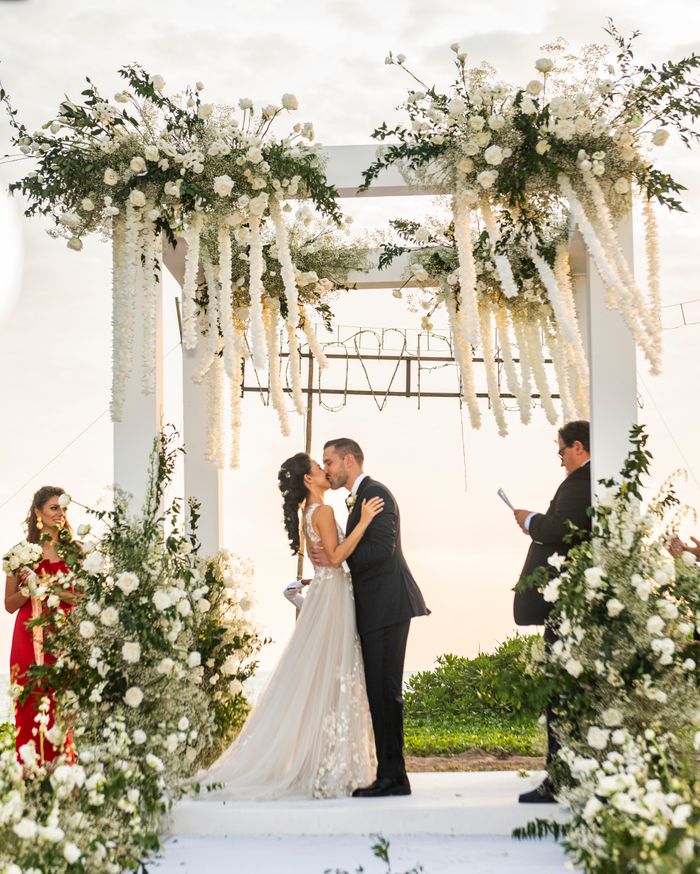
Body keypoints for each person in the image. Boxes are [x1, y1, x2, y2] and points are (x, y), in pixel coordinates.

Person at [202, 453, 383, 799]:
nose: (324, 472)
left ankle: (320, 759)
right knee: (335, 672)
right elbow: (334, 557)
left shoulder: (307, 514)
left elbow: (323, 559)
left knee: (323, 675)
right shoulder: (325, 511)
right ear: (307, 480)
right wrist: (364, 522)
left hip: (324, 591)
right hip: (333, 597)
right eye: (318, 468)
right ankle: (330, 763)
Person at [313, 438, 430, 798]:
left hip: (387, 605)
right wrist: (336, 556)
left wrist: (338, 558)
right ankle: (391, 774)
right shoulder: (360, 498)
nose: (327, 469)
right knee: (380, 693)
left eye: (329, 461)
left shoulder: (374, 493)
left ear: (349, 460)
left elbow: (382, 550)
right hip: (378, 606)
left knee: (385, 693)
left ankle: (394, 777)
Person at [512, 420, 592, 804]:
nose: (560, 460)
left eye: (561, 451)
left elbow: (563, 529)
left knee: (560, 692)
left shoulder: (580, 483)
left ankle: (559, 777)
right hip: (575, 603)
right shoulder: (589, 480)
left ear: (578, 447)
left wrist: (530, 520)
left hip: (569, 604)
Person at [5, 486, 80, 767]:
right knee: (28, 705)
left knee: (62, 708)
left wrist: (50, 589)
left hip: (64, 637)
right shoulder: (21, 555)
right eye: (54, 508)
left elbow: (81, 597)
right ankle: (30, 779)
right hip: (27, 639)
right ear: (38, 512)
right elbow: (9, 605)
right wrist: (30, 589)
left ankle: (63, 776)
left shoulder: (74, 551)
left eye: (63, 508)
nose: (60, 514)